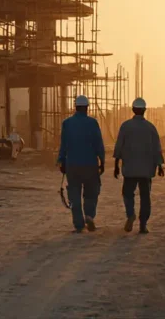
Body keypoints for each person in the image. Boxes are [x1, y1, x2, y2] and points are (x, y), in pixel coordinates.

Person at [113, 98, 165, 234]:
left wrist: (116, 165)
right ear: (144, 110)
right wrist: (160, 165)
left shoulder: (125, 126)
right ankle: (143, 225)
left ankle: (130, 214)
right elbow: (157, 148)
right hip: (146, 170)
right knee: (145, 197)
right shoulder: (150, 127)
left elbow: (119, 146)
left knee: (127, 193)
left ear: (133, 110)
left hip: (130, 169)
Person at [57, 94, 106, 232]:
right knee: (91, 192)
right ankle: (89, 215)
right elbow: (99, 144)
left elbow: (63, 144)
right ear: (87, 108)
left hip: (72, 165)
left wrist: (61, 161)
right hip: (90, 164)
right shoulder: (93, 123)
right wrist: (102, 161)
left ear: (75, 107)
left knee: (74, 193)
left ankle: (78, 224)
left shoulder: (67, 123)